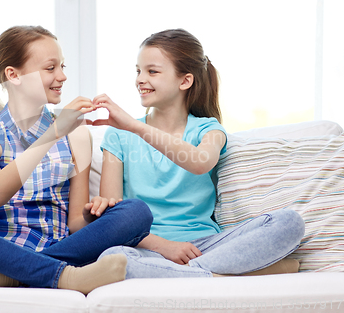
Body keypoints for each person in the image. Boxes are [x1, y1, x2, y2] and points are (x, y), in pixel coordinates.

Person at [0, 25, 153, 294]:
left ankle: (8, 277)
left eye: (62, 66)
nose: (62, 76)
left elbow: (75, 222)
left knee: (136, 213)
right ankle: (66, 277)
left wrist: (91, 214)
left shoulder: (77, 135)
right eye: (50, 68)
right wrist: (52, 134)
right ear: (13, 75)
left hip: (55, 247)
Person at [92, 28, 305, 278]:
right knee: (112, 258)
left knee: (290, 222)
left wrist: (136, 126)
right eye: (138, 70)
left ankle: (187, 274)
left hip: (206, 246)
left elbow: (200, 162)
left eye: (152, 71)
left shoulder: (209, 129)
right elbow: (115, 219)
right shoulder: (119, 135)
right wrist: (165, 247)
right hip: (147, 247)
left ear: (185, 81)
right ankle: (216, 277)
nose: (140, 79)